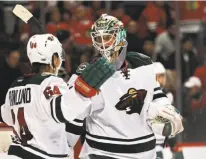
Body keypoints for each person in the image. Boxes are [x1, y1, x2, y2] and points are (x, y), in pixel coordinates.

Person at [67, 14, 184, 159]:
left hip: (145, 153)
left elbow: (156, 95)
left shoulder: (143, 64)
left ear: (120, 37)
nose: (103, 44)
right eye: (99, 39)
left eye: (107, 37)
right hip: (102, 153)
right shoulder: (85, 73)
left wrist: (166, 109)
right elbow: (70, 114)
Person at [1, 33, 115, 159]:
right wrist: (82, 90)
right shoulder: (51, 82)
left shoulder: (14, 85)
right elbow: (62, 111)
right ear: (55, 59)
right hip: (43, 155)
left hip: (16, 152)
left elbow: (6, 117)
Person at [0, 49, 22, 121]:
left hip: (14, 110)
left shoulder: (19, 74)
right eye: (14, 58)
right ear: (7, 58)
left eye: (17, 59)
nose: (16, 61)